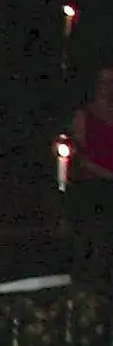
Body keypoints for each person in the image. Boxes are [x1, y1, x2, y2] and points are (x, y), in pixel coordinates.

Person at [70, 64, 113, 229]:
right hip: (94, 181)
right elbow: (81, 156)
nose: (109, 87)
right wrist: (106, 174)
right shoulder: (84, 116)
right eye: (105, 82)